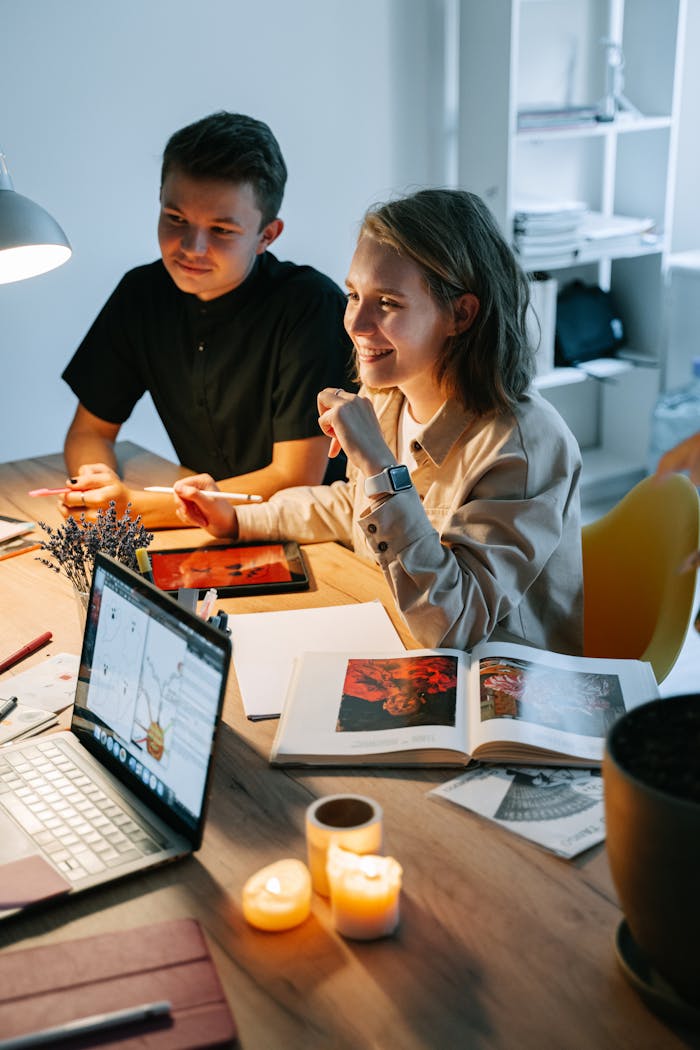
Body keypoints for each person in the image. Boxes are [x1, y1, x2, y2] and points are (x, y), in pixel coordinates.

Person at [172, 189, 584, 654]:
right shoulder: (388, 395)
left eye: (387, 302)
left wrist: (378, 468)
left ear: (460, 314)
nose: (357, 323)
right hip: (398, 638)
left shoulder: (524, 444)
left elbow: (456, 624)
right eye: (354, 295)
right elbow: (352, 507)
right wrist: (238, 519)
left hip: (499, 689)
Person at [61, 111, 351, 528]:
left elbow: (295, 480)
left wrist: (130, 510)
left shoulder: (310, 305)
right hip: (204, 533)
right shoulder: (141, 294)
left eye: (221, 230)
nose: (192, 247)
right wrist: (96, 481)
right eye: (175, 219)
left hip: (313, 535)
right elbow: (89, 432)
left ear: (267, 235)